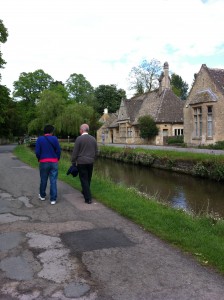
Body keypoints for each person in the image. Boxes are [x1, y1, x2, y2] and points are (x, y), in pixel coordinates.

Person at [71, 123, 98, 204]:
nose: (79, 131)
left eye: (80, 130)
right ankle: (84, 191)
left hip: (81, 162)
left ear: (82, 130)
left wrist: (73, 162)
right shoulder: (93, 139)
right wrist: (93, 158)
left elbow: (75, 152)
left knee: (83, 179)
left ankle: (88, 198)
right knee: (88, 178)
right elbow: (96, 151)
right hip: (90, 162)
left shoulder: (79, 139)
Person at [35, 125, 61, 205]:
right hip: (54, 162)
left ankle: (42, 196)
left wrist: (40, 158)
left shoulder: (40, 139)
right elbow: (58, 151)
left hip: (43, 162)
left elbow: (37, 152)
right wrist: (57, 159)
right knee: (53, 180)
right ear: (51, 132)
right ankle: (53, 199)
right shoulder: (55, 139)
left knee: (43, 179)